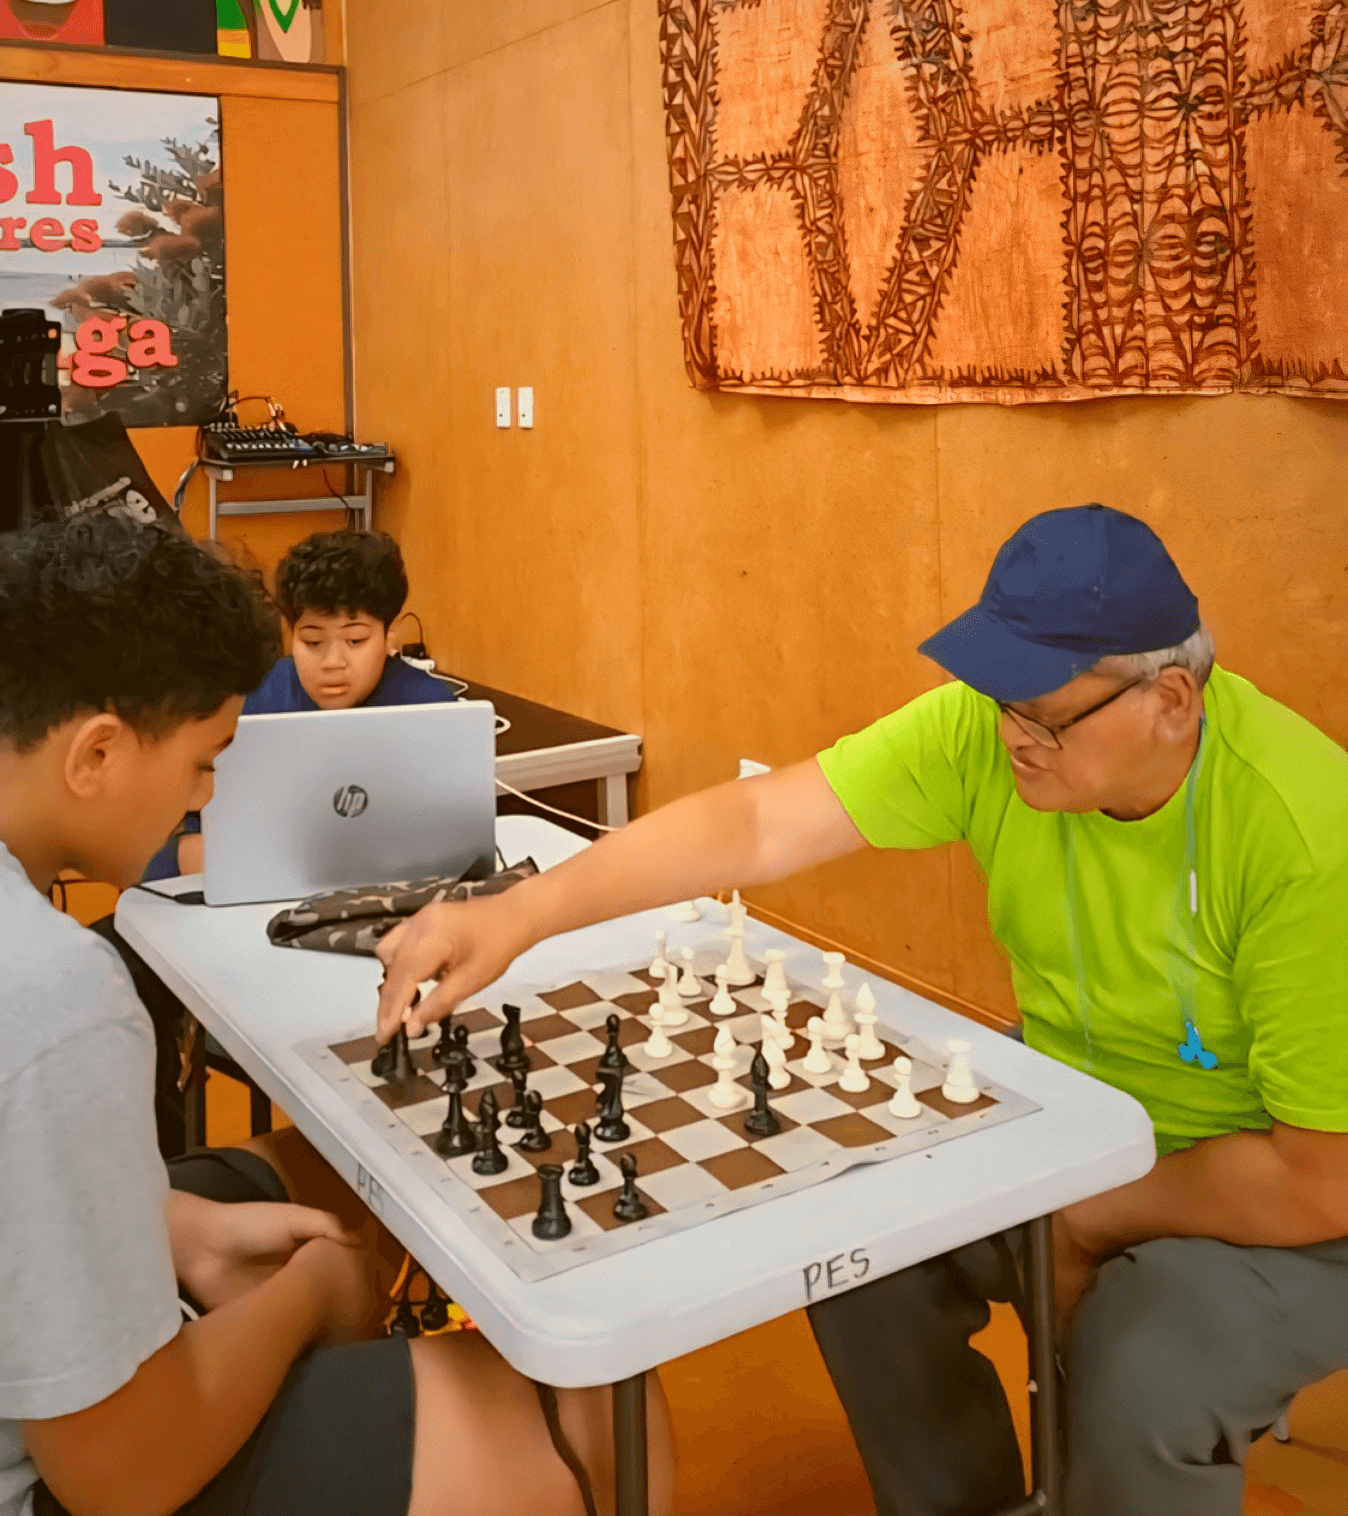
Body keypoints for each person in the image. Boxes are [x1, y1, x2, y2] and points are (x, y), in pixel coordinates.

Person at [376, 503, 1348, 1516]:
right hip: (1079, 1115)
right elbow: (756, 822)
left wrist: (1092, 1213)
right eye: (997, 699)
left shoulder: (1304, 832)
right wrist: (522, 911)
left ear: (1172, 698)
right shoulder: (999, 733)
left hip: (1276, 1190)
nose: (1011, 735)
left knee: (1140, 1369)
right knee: (857, 1246)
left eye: (1041, 713)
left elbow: (1320, 1176)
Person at [0, 514, 671, 1516]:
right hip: (64, 1473)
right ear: (95, 753)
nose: (209, 790)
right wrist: (311, 1299)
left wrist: (172, 1227)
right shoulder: (58, 992)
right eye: (204, 761)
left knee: (350, 1167)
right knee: (611, 1416)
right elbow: (120, 1476)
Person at [145, 529, 457, 881]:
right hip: (253, 885)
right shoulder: (253, 696)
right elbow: (192, 839)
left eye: (355, 640)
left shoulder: (431, 711)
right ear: (292, 634)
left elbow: (453, 841)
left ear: (389, 636)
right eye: (312, 641)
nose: (333, 661)